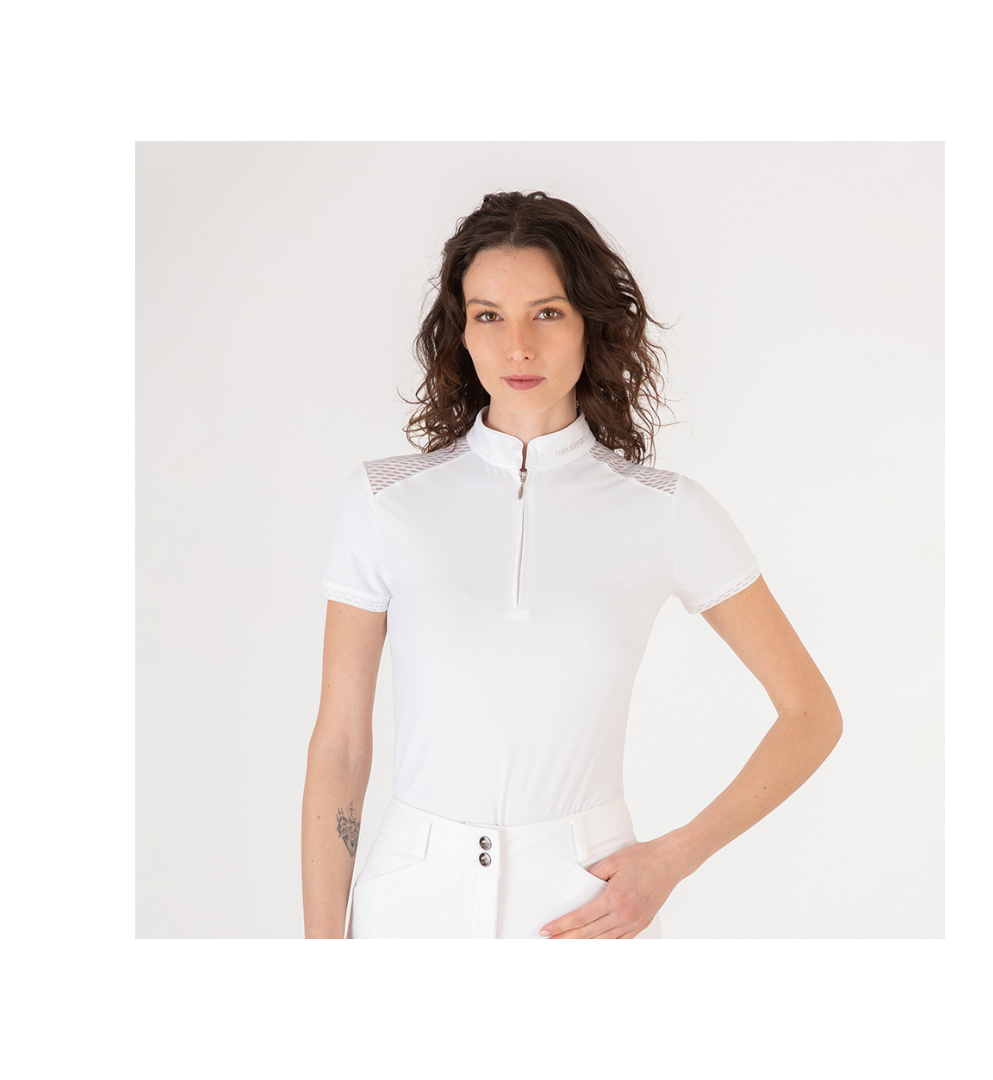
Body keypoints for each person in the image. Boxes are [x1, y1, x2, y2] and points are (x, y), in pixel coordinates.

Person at [301, 190, 842, 939]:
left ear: (591, 321)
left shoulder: (665, 510)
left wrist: (672, 859)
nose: (518, 346)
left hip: (588, 904)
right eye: (489, 315)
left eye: (547, 313)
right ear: (461, 330)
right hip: (409, 900)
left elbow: (811, 714)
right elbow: (340, 747)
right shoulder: (384, 501)